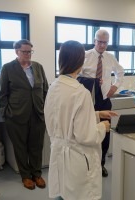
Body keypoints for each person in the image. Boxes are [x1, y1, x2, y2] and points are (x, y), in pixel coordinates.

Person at [44, 40, 117, 200]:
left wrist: (96, 114)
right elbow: (86, 136)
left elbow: (62, 117)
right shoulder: (80, 92)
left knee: (62, 194)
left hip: (58, 153)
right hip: (78, 158)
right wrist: (101, 126)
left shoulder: (54, 86)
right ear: (81, 61)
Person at [0, 39, 48, 190]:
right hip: (16, 115)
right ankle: (25, 176)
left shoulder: (38, 67)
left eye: (30, 51)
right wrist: (6, 113)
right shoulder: (7, 68)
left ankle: (37, 174)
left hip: (37, 113)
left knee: (37, 146)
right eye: (24, 51)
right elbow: (2, 94)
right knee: (20, 147)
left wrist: (45, 109)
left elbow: (45, 89)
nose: (28, 54)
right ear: (16, 52)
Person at [78, 29, 124, 177]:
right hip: (88, 100)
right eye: (100, 42)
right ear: (94, 41)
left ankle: (101, 164)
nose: (102, 45)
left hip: (104, 100)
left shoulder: (110, 57)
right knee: (87, 132)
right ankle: (86, 164)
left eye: (105, 42)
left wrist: (114, 86)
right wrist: (92, 82)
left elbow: (120, 72)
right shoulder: (85, 56)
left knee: (105, 132)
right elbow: (76, 76)